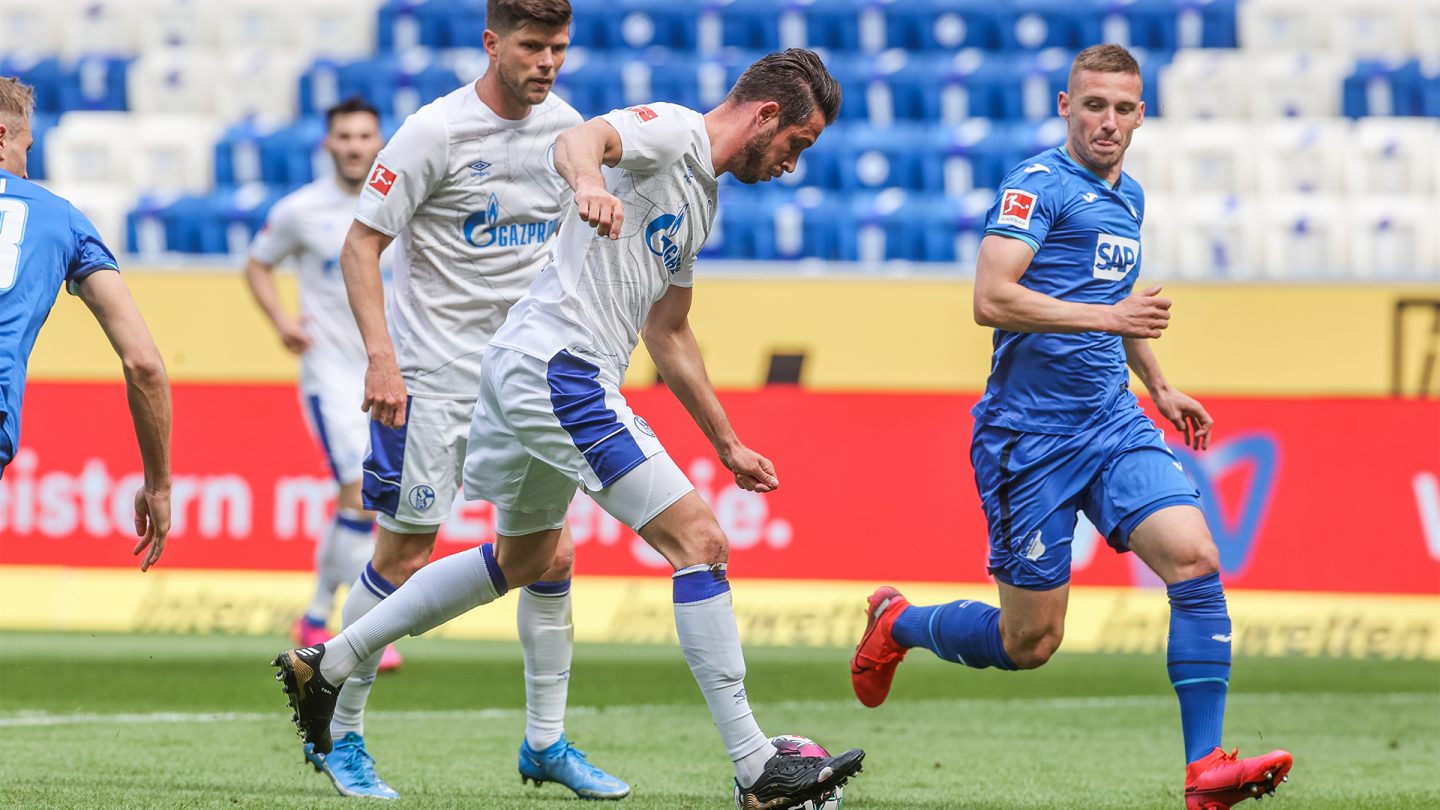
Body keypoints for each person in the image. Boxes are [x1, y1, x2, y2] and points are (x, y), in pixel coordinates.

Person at [273, 48, 866, 809]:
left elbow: (671, 331)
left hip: (534, 368)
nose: (792, 164)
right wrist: (588, 182)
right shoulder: (674, 133)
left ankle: (327, 664)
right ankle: (756, 765)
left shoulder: (702, 198)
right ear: (766, 116)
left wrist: (727, 442)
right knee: (701, 543)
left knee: (526, 558)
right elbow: (578, 141)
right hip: (560, 370)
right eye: (797, 145)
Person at [848, 45, 1293, 810]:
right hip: (1030, 440)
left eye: (1124, 108)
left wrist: (1157, 382)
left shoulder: (1130, 197)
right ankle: (901, 622)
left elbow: (1114, 299)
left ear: (1142, 114)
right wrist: (1111, 317)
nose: (1108, 122)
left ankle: (1206, 768)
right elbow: (992, 296)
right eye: (1094, 105)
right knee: (1031, 645)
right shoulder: (1036, 186)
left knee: (1193, 559)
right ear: (1066, 106)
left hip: (1113, 423)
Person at [290, 0, 627, 800]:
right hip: (433, 376)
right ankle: (341, 735)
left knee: (552, 552)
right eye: (532, 46)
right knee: (404, 554)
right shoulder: (433, 132)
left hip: (527, 377)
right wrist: (382, 358)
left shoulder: (570, 131)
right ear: (492, 42)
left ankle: (545, 741)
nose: (547, 62)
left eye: (558, 48)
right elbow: (360, 244)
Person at [244, 96, 401, 674]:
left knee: (376, 499)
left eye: (365, 137)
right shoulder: (300, 210)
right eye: (346, 137)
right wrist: (283, 321)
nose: (356, 147)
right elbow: (257, 263)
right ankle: (358, 630)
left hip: (396, 376)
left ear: (379, 142)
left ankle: (314, 614)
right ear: (328, 144)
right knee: (359, 489)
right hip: (332, 375)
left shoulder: (401, 202)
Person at [0, 76, 169, 571]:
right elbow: (144, 364)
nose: (28, 165)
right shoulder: (62, 220)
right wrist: (159, 485)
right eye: (25, 147)